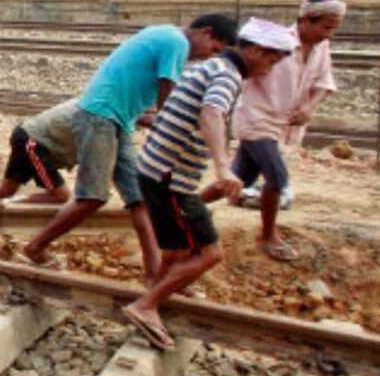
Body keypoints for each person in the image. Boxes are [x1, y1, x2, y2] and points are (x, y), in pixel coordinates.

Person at [19, 15, 238, 283]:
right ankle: (35, 247)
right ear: (206, 32)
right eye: (213, 49)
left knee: (140, 201)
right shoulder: (176, 42)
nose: (207, 57)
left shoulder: (168, 36)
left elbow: (146, 94)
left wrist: (151, 120)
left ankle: (154, 275)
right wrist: (173, 131)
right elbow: (166, 93)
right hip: (101, 114)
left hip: (120, 119)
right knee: (92, 197)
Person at [122, 18, 296, 350]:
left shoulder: (212, 66)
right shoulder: (227, 76)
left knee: (176, 249)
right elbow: (211, 113)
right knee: (209, 252)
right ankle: (146, 306)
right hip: (170, 177)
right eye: (271, 60)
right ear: (256, 50)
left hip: (158, 170)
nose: (271, 69)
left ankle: (154, 297)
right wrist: (222, 166)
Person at [214, 0, 344, 262]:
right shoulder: (276, 43)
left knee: (236, 180)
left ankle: (183, 210)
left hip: (283, 123)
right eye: (326, 27)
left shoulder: (322, 48)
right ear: (306, 20)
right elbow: (246, 69)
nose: (328, 34)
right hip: (256, 117)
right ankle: (268, 236)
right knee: (277, 177)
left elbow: (323, 81)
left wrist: (310, 107)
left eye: (333, 28)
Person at [0, 98, 82, 205]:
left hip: (25, 133)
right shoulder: (96, 111)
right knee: (62, 196)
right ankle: (6, 202)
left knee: (6, 190)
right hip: (33, 142)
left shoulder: (91, 102)